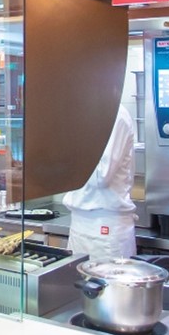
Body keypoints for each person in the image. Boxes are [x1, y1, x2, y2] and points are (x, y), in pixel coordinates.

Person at [63, 106, 137, 261]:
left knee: (105, 278)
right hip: (78, 224)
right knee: (73, 276)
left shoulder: (114, 114)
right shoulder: (78, 113)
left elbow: (101, 176)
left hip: (105, 228)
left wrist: (65, 155)